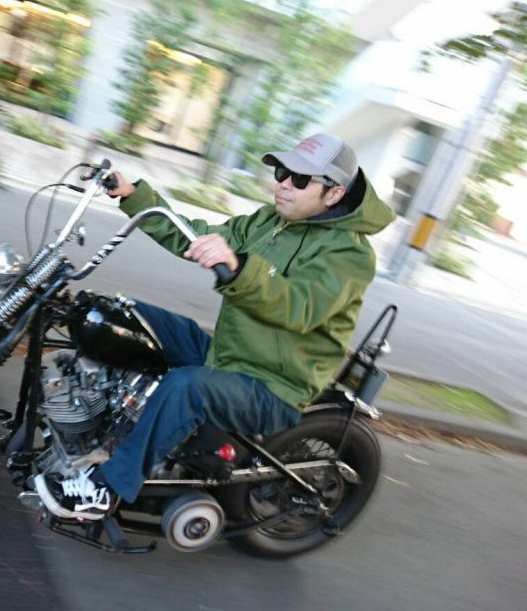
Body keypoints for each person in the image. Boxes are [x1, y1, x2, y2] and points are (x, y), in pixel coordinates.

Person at [35, 133, 396, 520]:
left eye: (301, 180)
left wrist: (240, 266)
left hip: (275, 386)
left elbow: (300, 307)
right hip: (228, 353)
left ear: (335, 193)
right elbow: (196, 235)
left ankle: (105, 489)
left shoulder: (350, 255)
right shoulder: (270, 221)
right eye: (282, 172)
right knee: (122, 315)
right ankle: (94, 423)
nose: (284, 184)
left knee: (186, 386)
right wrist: (132, 194)